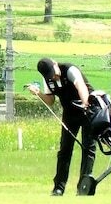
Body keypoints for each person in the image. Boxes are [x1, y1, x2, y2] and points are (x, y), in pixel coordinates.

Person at [27, 58, 95, 196]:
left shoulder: (70, 70)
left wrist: (86, 105)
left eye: (53, 73)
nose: (53, 77)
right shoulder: (48, 79)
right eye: (49, 76)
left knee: (88, 148)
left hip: (88, 109)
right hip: (69, 113)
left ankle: (83, 188)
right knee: (65, 149)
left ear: (55, 64)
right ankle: (59, 187)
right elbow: (50, 100)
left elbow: (81, 86)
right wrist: (38, 93)